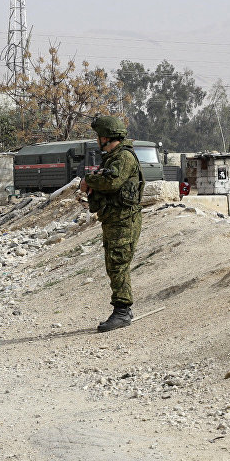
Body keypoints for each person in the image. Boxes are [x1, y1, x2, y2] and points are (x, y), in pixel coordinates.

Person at [80, 115, 144, 332]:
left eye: (99, 137)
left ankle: (122, 312)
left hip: (123, 221)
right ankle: (122, 310)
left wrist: (88, 181)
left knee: (118, 264)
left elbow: (112, 181)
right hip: (114, 220)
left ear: (105, 137)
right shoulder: (113, 156)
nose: (97, 141)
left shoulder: (123, 157)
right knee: (114, 264)